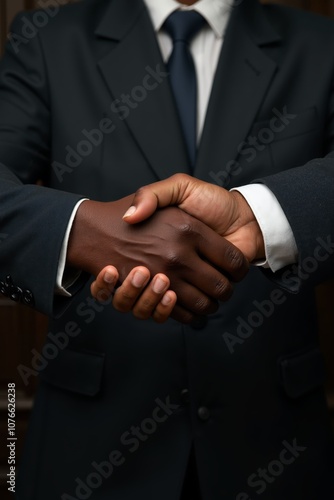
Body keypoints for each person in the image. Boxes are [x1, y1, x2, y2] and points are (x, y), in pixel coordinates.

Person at [1, 0, 334, 499]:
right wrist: (87, 232)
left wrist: (262, 216)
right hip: (89, 445)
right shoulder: (49, 38)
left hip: (273, 443)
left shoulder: (320, 42)